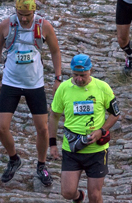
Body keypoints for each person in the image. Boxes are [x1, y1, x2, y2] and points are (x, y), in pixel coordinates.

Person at [0, 0, 62, 186]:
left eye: (27, 15)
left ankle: (41, 165)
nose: (23, 19)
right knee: (1, 127)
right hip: (11, 83)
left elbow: (55, 51)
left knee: (43, 128)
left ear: (34, 12)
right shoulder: (6, 25)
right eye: (20, 14)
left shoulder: (44, 26)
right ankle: (14, 159)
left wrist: (58, 78)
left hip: (34, 84)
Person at [49, 54, 120, 203]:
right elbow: (54, 116)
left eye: (83, 75)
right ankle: (79, 197)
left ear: (90, 71)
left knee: (94, 196)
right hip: (72, 150)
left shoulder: (102, 87)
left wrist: (101, 131)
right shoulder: (63, 88)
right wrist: (52, 143)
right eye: (75, 75)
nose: (79, 79)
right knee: (67, 192)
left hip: (96, 151)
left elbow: (115, 114)